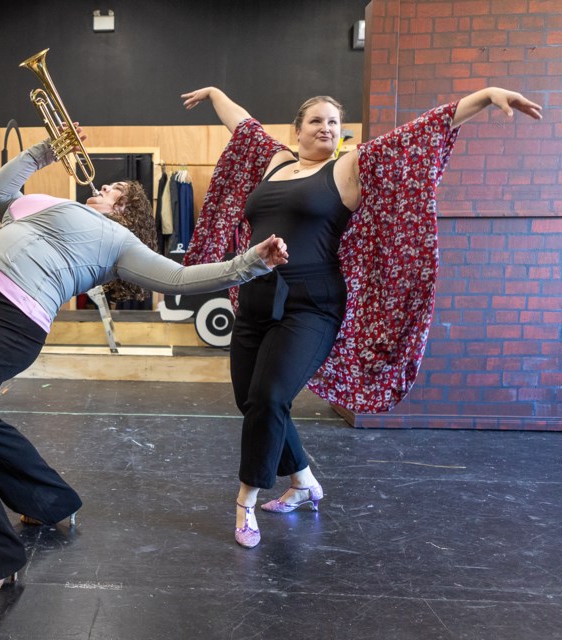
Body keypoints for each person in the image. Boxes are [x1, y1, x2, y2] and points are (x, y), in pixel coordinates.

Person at [0, 126, 290, 600]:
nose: (103, 186)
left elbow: (179, 277)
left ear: (126, 211)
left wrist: (250, 263)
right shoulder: (49, 204)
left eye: (116, 190)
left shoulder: (121, 243)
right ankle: (52, 502)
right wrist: (50, 150)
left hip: (11, 319)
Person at [180, 86, 542, 548]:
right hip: (254, 299)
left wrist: (486, 96)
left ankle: (245, 503)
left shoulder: (349, 166)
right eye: (317, 121)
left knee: (270, 397)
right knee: (249, 401)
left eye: (334, 122)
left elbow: (424, 130)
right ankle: (305, 483)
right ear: (297, 130)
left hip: (312, 304)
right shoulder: (272, 161)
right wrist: (215, 94)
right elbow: (243, 123)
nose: (327, 128)